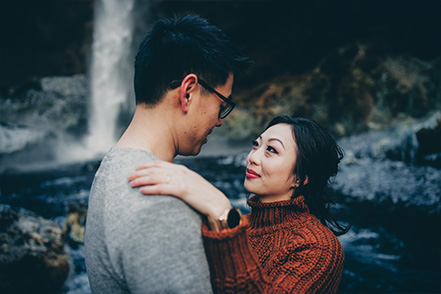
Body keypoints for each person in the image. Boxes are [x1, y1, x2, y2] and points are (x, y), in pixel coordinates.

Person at [84, 13, 251, 294]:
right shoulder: (160, 207)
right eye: (222, 104)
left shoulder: (110, 169)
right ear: (188, 93)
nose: (220, 120)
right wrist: (225, 213)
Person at [129, 116, 350, 293]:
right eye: (256, 145)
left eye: (271, 150)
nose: (252, 157)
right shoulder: (238, 226)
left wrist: (219, 208)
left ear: (301, 178)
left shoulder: (319, 247)